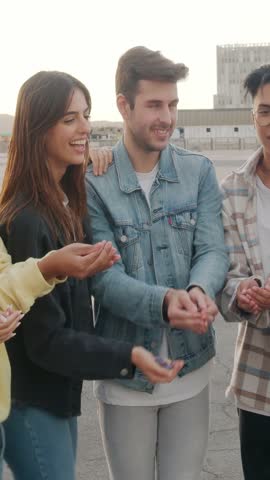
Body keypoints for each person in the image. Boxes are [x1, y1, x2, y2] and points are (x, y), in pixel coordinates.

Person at [0, 70, 183, 480]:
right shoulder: (27, 220)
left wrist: (93, 161)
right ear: (36, 128)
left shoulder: (63, 200)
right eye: (70, 119)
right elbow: (45, 341)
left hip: (55, 396)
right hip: (32, 402)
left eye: (86, 115)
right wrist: (128, 356)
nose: (85, 127)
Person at [85, 46, 229, 480]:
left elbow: (212, 250)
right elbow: (103, 280)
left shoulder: (199, 171)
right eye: (153, 105)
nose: (166, 116)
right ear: (123, 106)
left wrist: (200, 292)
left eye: (172, 104)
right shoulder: (94, 182)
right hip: (126, 375)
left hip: (192, 368)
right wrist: (168, 303)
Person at [219, 64, 270, 480]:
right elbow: (229, 276)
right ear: (253, 117)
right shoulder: (233, 189)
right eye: (265, 111)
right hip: (259, 378)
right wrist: (243, 292)